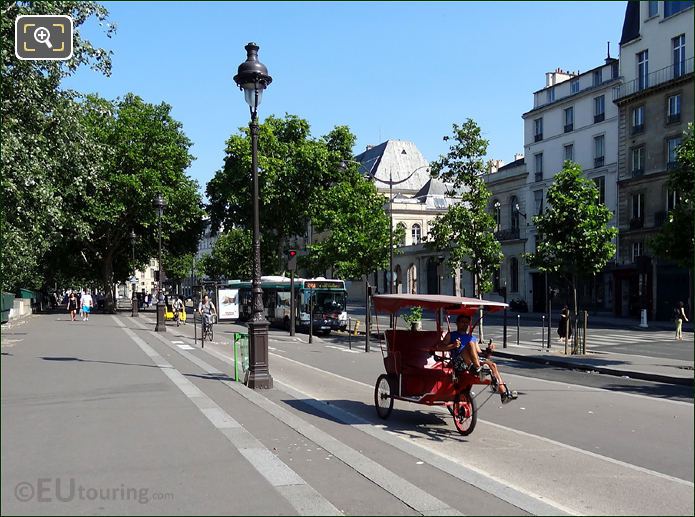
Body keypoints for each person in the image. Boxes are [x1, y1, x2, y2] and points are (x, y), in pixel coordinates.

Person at [439, 314, 517, 404]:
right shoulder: (451, 335)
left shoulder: (472, 338)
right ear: (457, 323)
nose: (464, 324)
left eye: (466, 323)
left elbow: (479, 354)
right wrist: (453, 345)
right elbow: (440, 346)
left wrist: (488, 351)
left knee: (493, 365)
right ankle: (477, 369)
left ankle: (503, 393)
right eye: (462, 322)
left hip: (472, 362)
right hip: (458, 362)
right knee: (470, 344)